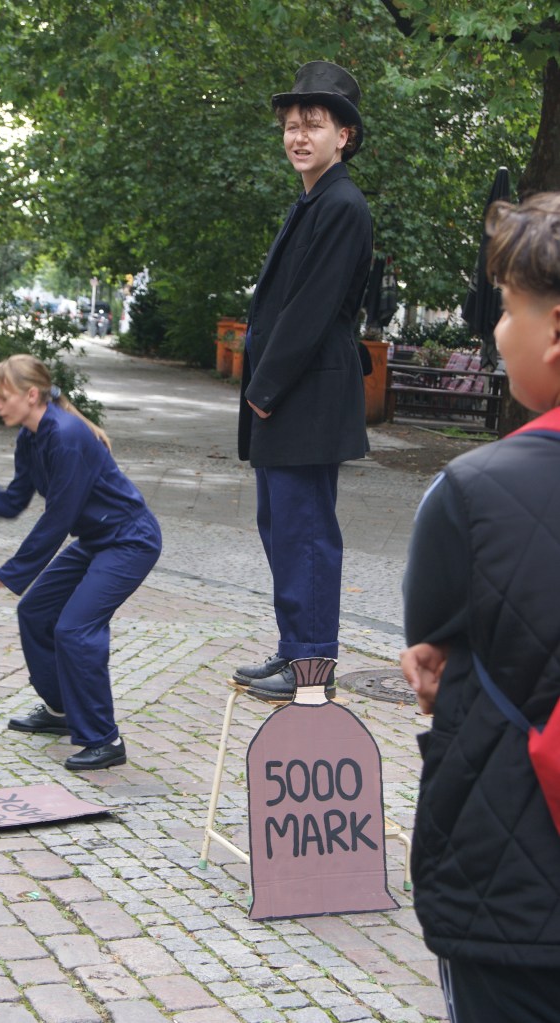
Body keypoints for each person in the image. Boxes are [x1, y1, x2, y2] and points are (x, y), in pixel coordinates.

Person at [401, 193, 560, 1023]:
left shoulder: (471, 491)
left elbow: (430, 660)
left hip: (516, 898)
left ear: (555, 328)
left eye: (504, 308)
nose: (496, 333)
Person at [0, 354, 162, 771]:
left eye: (3, 397)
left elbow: (59, 517)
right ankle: (60, 709)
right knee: (35, 611)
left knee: (76, 629)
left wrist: (16, 569)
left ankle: (104, 740)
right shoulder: (31, 438)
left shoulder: (67, 435)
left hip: (130, 540)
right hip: (97, 539)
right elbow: (14, 502)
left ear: (31, 395)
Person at [232, 61, 373, 701]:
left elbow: (310, 310)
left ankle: (312, 666)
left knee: (307, 533)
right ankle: (296, 649)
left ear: (343, 135)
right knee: (282, 529)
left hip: (304, 396)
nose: (298, 136)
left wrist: (263, 392)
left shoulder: (341, 204)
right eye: (291, 125)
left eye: (312, 125)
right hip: (291, 395)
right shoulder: (313, 200)